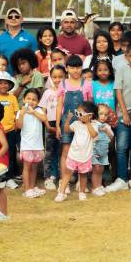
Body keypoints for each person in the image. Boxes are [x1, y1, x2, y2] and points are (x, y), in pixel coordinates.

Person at [108, 44, 131, 192]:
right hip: (124, 114)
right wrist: (124, 112)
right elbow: (118, 91)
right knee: (122, 147)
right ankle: (122, 178)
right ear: (126, 57)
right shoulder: (121, 70)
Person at [56, 55, 92, 195]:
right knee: (66, 151)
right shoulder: (63, 84)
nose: (75, 70)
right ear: (67, 68)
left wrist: (89, 121)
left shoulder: (87, 84)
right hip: (67, 121)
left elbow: (90, 105)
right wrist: (58, 125)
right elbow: (60, 105)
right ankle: (64, 181)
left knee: (82, 150)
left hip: (83, 122)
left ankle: (80, 182)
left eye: (78, 67)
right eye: (72, 67)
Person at [55, 100, 97, 202]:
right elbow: (66, 130)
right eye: (77, 113)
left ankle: (82, 192)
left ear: (90, 115)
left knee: (83, 175)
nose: (78, 116)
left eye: (80, 114)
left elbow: (94, 135)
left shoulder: (94, 125)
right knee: (67, 174)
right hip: (73, 155)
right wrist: (68, 120)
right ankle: (61, 193)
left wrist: (88, 123)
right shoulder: (76, 123)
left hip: (85, 156)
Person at [0, 71, 20, 188]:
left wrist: (16, 126)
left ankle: (9, 177)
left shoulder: (12, 98)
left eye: (6, 83)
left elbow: (17, 113)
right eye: (0, 83)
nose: (3, 85)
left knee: (10, 154)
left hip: (10, 131)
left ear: (10, 85)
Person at [16, 88, 47, 198]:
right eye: (28, 98)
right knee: (27, 167)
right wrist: (22, 114)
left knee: (34, 167)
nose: (31, 101)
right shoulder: (20, 112)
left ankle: (32, 187)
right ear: (24, 99)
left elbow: (44, 118)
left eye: (34, 99)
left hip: (38, 145)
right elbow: (19, 126)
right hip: (26, 145)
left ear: (38, 102)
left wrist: (33, 112)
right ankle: (27, 189)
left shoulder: (39, 111)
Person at [40, 65, 65, 191]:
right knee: (50, 151)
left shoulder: (67, 91)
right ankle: (50, 176)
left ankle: (62, 176)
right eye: (54, 77)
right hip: (50, 123)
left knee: (62, 151)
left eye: (60, 77)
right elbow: (43, 110)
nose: (57, 79)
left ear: (65, 76)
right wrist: (47, 125)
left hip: (63, 123)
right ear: (50, 77)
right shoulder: (47, 92)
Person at [0, 8, 36, 74]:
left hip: (24, 77)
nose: (13, 18)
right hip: (4, 77)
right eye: (10, 17)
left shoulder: (30, 38)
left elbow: (35, 59)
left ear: (22, 19)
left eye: (17, 16)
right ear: (6, 20)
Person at [91, 104, 114, 196]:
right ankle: (94, 187)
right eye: (101, 114)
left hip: (104, 152)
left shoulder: (107, 126)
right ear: (95, 113)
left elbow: (111, 136)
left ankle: (99, 185)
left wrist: (106, 131)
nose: (103, 116)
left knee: (101, 169)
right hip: (95, 151)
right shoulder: (93, 124)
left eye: (105, 115)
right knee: (96, 169)